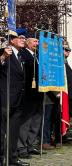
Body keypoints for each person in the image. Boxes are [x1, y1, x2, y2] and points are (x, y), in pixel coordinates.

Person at [0, 31, 30, 166]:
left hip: (18, 99)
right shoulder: (3, 52)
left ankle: (11, 157)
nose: (23, 40)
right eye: (21, 38)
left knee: (13, 131)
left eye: (24, 38)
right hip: (5, 98)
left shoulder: (20, 55)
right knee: (1, 131)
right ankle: (0, 158)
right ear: (12, 40)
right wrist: (2, 57)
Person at [17, 36, 45, 159]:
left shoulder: (37, 55)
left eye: (38, 41)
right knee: (26, 122)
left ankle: (31, 145)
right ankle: (21, 148)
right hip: (28, 93)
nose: (37, 43)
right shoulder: (23, 55)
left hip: (39, 93)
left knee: (36, 121)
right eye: (35, 41)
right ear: (28, 43)